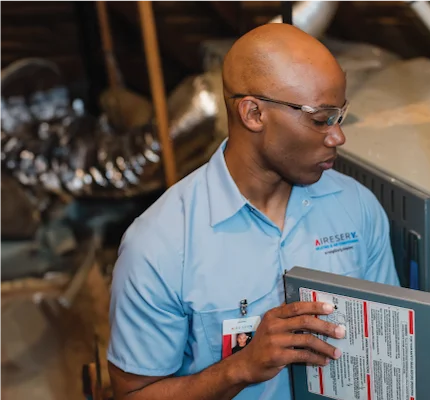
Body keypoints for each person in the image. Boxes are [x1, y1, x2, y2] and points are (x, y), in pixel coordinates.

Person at [107, 23, 400, 400]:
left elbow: (388, 350)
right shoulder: (159, 246)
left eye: (339, 116)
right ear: (253, 114)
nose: (337, 136)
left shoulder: (358, 208)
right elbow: (133, 395)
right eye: (320, 119)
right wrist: (241, 368)